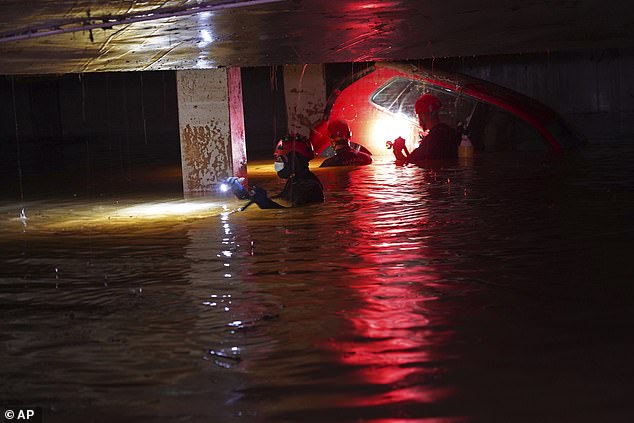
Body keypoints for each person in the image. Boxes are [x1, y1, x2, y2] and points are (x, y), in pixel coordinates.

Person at [225, 133, 324, 209]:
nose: (276, 164)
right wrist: (242, 193)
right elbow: (279, 200)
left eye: (280, 160)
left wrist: (265, 203)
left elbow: (296, 213)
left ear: (294, 160)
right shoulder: (295, 181)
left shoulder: (309, 187)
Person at [389, 93, 459, 164]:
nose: (419, 118)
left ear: (430, 113)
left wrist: (397, 150)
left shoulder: (432, 138)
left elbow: (407, 163)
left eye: (420, 113)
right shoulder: (450, 132)